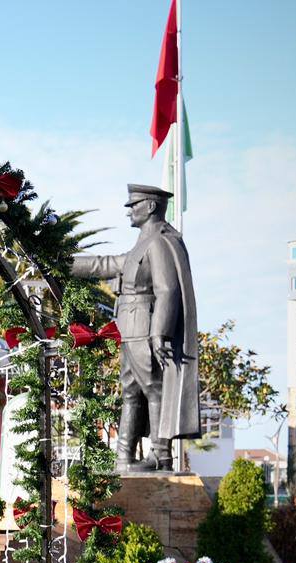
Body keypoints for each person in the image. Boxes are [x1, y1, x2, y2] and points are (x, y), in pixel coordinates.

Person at [69, 183, 200, 472]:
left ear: (151, 206)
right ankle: (123, 458)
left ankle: (160, 454)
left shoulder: (162, 241)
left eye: (134, 204)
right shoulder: (144, 241)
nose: (129, 210)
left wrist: (160, 332)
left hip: (147, 327)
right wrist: (64, 263)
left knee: (153, 389)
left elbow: (168, 290)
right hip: (129, 327)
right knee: (130, 391)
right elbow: (106, 264)